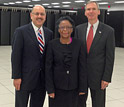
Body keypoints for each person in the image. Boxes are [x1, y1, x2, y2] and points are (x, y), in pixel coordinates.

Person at [75, 1, 115, 107]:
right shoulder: (79, 29)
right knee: (79, 103)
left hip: (98, 77)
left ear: (98, 12)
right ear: (85, 12)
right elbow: (76, 53)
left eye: (93, 9)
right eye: (88, 9)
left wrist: (106, 78)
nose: (91, 11)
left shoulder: (108, 31)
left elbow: (110, 56)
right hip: (81, 76)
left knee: (98, 104)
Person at [11, 5, 53, 107]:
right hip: (24, 79)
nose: (39, 16)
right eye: (36, 14)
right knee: (21, 104)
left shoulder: (49, 33)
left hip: (41, 80)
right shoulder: (21, 32)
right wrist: (16, 77)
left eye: (42, 14)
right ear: (31, 15)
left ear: (45, 16)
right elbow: (16, 56)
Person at [45, 16, 87, 107]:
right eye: (62, 27)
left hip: (75, 88)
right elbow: (48, 68)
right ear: (58, 29)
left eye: (68, 27)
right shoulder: (52, 44)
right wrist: (50, 89)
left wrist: (82, 88)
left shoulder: (79, 44)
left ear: (72, 29)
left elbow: (82, 67)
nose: (65, 30)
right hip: (57, 88)